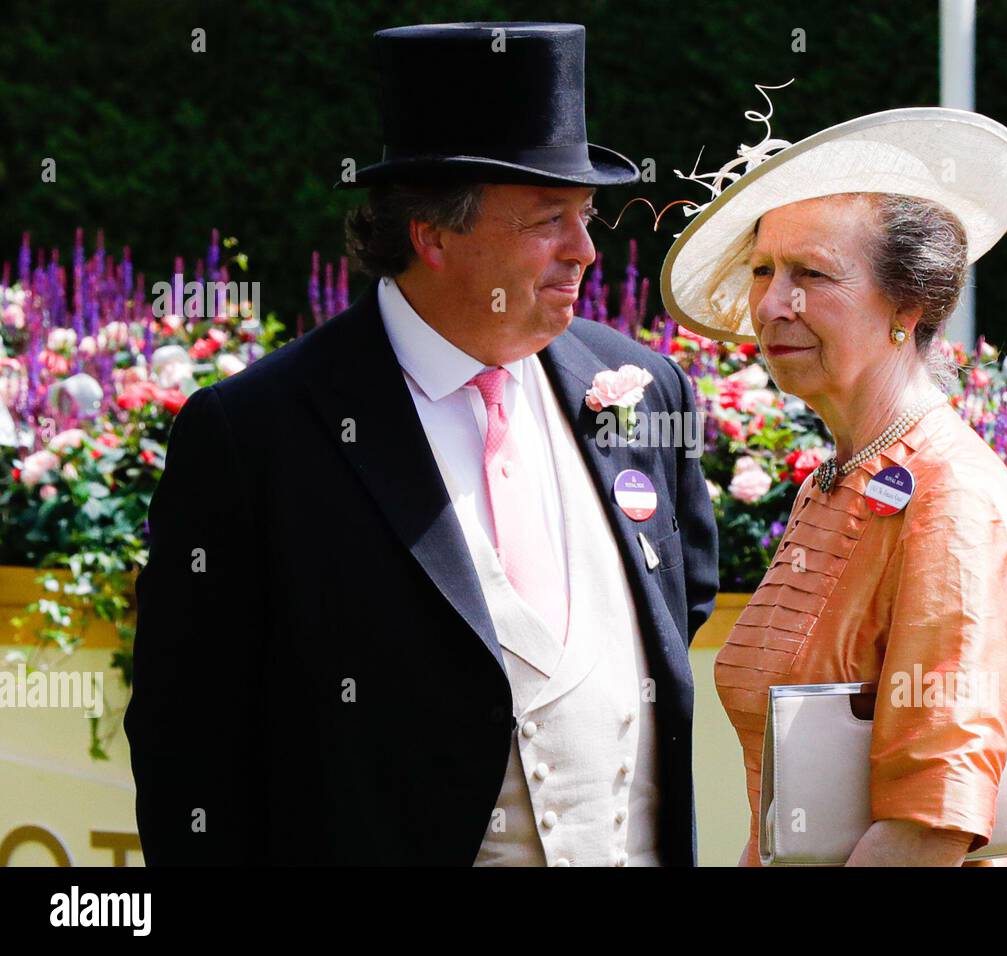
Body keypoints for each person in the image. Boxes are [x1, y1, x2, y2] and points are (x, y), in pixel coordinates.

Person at [124, 22, 718, 866]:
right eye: (549, 219)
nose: (586, 251)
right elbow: (191, 741)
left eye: (586, 217)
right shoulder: (255, 433)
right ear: (432, 236)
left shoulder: (643, 388)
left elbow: (680, 606)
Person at [661, 108, 1007, 866]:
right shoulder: (833, 482)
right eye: (763, 270)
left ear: (907, 308)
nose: (772, 305)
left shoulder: (949, 495)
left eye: (812, 274)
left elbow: (929, 821)